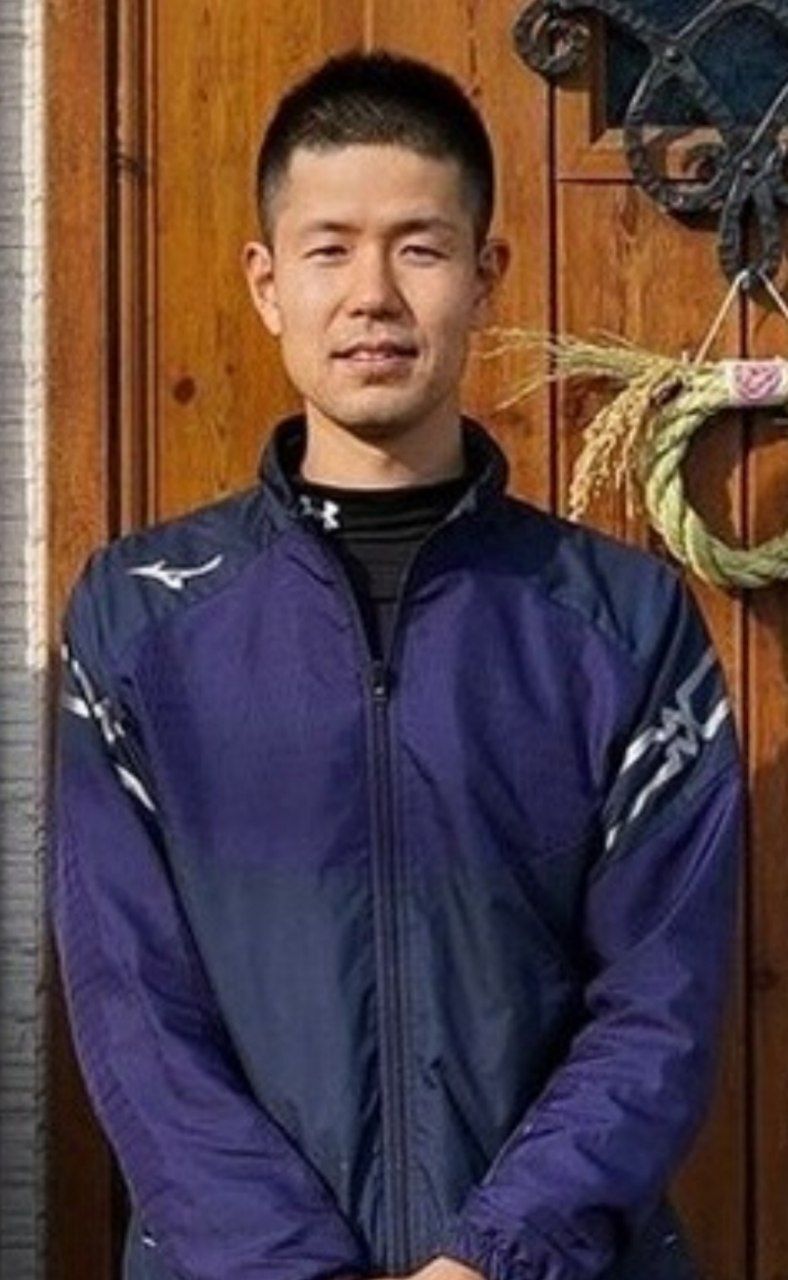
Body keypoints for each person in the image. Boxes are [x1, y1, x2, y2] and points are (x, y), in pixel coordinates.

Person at [49, 47, 743, 1280]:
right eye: (328, 249)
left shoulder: (623, 624)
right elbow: (130, 998)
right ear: (266, 282)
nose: (372, 294)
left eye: (418, 247)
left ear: (484, 275)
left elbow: (660, 997)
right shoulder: (138, 622)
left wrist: (492, 1253)